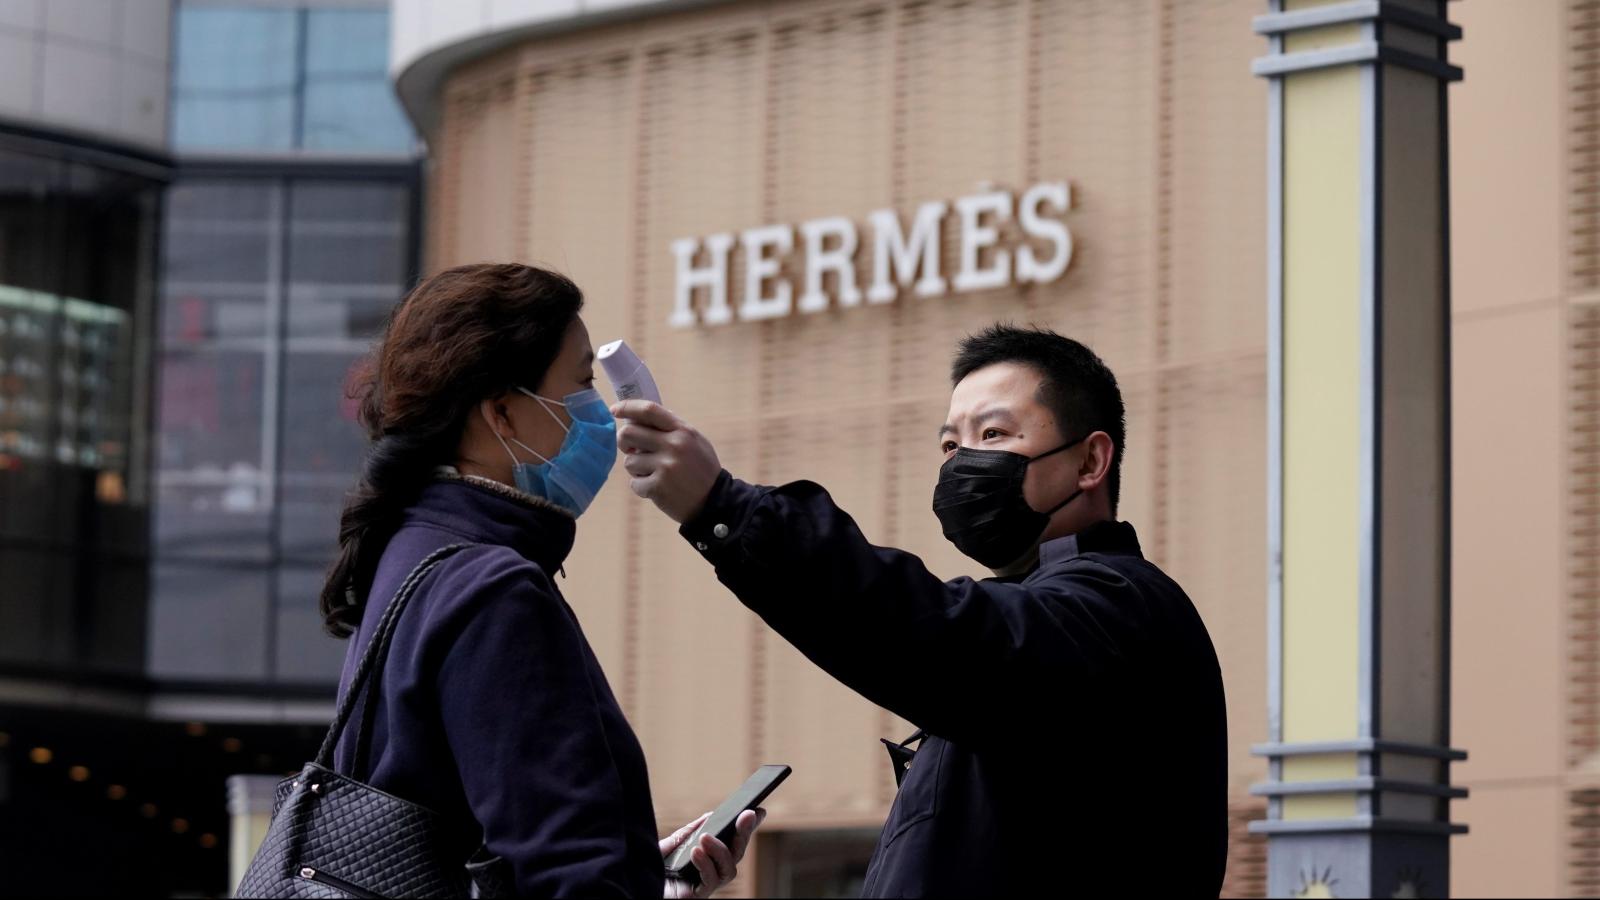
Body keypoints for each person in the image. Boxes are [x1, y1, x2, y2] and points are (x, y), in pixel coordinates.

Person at [614, 324, 1227, 897]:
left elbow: (939, 632)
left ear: (1090, 462)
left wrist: (724, 509)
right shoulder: (1045, 625)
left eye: (993, 435)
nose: (962, 462)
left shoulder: (1118, 609)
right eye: (950, 444)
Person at [319, 262, 762, 898]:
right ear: (502, 412)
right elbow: (564, 868)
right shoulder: (491, 588)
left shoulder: (409, 555)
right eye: (582, 380)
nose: (601, 411)